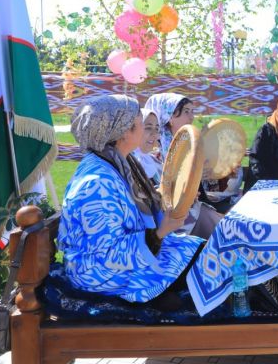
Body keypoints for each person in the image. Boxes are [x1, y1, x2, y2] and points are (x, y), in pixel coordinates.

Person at [57, 95, 203, 307]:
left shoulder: (117, 162)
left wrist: (171, 197)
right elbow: (108, 252)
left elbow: (130, 207)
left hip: (122, 260)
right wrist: (160, 232)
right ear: (124, 132)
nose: (146, 129)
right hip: (99, 275)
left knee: (204, 254)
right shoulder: (96, 184)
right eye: (141, 123)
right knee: (199, 276)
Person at [145, 92, 221, 238]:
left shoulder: (188, 146)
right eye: (186, 112)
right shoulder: (152, 152)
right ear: (169, 117)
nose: (191, 117)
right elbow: (158, 194)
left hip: (193, 210)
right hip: (170, 222)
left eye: (192, 112)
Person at [131, 109, 162, 185]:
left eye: (157, 129)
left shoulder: (151, 160)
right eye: (148, 128)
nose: (154, 134)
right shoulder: (128, 161)